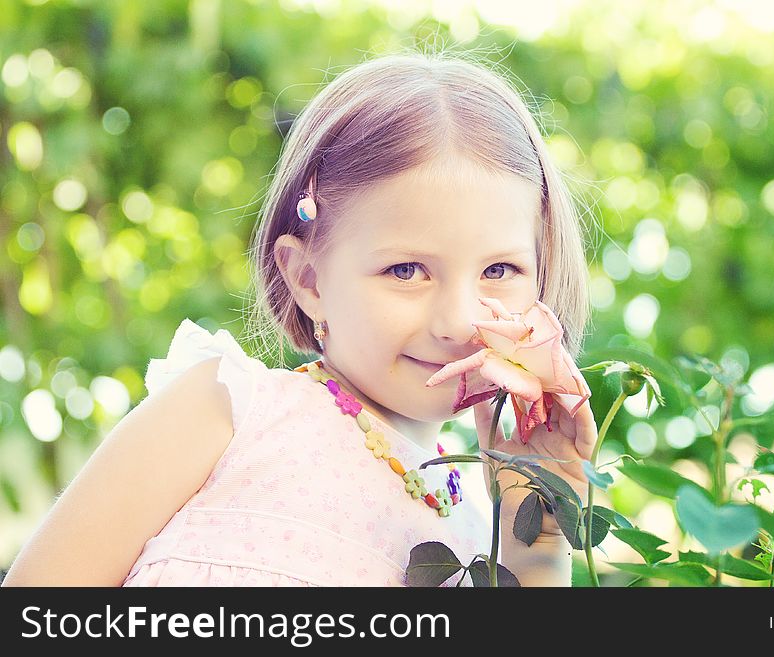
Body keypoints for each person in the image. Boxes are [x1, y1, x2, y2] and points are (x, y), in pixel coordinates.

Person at [2, 50, 599, 587]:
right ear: (308, 280)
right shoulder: (229, 412)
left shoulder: (478, 533)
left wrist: (540, 537)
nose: (457, 321)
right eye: (406, 270)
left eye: (499, 272)